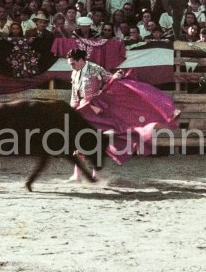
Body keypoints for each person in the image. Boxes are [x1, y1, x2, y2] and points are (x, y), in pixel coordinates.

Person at [66, 48, 178, 181]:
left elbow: (110, 80)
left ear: (81, 60)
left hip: (98, 111)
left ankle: (95, 174)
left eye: (73, 63)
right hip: (83, 111)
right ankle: (77, 174)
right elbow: (74, 93)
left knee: (96, 142)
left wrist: (115, 77)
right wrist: (73, 109)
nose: (71, 66)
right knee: (79, 140)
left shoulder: (95, 69)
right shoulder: (74, 72)